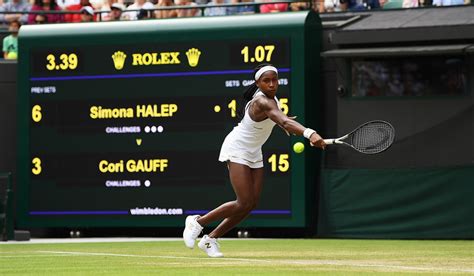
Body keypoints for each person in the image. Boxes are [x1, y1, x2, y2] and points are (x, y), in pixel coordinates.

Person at [182, 64, 326, 258]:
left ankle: (210, 239)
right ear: (258, 83)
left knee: (250, 204)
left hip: (254, 152)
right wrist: (310, 133)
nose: (272, 84)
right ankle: (197, 221)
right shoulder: (261, 101)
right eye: (267, 81)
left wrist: (289, 126)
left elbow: (281, 121)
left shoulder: (273, 101)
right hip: (237, 148)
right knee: (242, 202)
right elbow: (283, 121)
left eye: (275, 79)